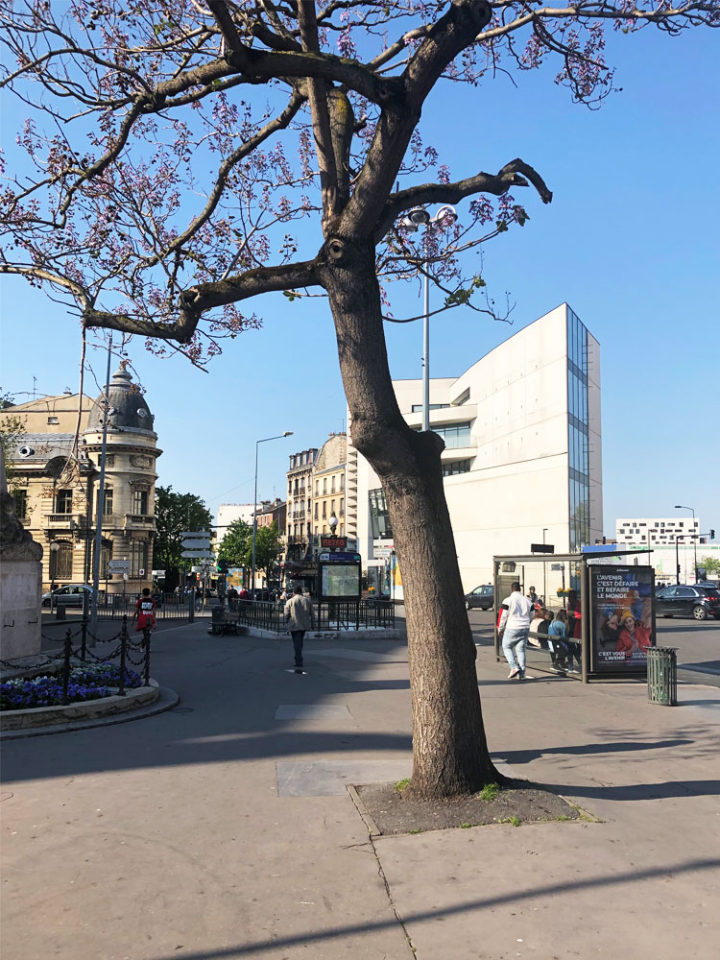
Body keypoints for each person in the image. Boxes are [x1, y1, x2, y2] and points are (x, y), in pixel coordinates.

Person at [497, 581, 533, 680]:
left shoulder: (507, 600)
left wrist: (500, 628)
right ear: (519, 589)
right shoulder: (528, 600)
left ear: (511, 589)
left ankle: (513, 667)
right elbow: (532, 614)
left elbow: (503, 616)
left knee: (506, 646)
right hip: (525, 627)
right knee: (521, 650)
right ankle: (522, 673)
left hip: (512, 627)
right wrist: (527, 621)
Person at [284, 584, 315, 670]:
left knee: (296, 642)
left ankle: (298, 660)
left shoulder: (289, 601)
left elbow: (286, 614)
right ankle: (298, 657)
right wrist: (313, 624)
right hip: (304, 624)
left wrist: (286, 621)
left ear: (294, 592)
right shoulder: (307, 601)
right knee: (300, 641)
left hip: (294, 624)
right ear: (301, 592)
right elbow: (312, 614)